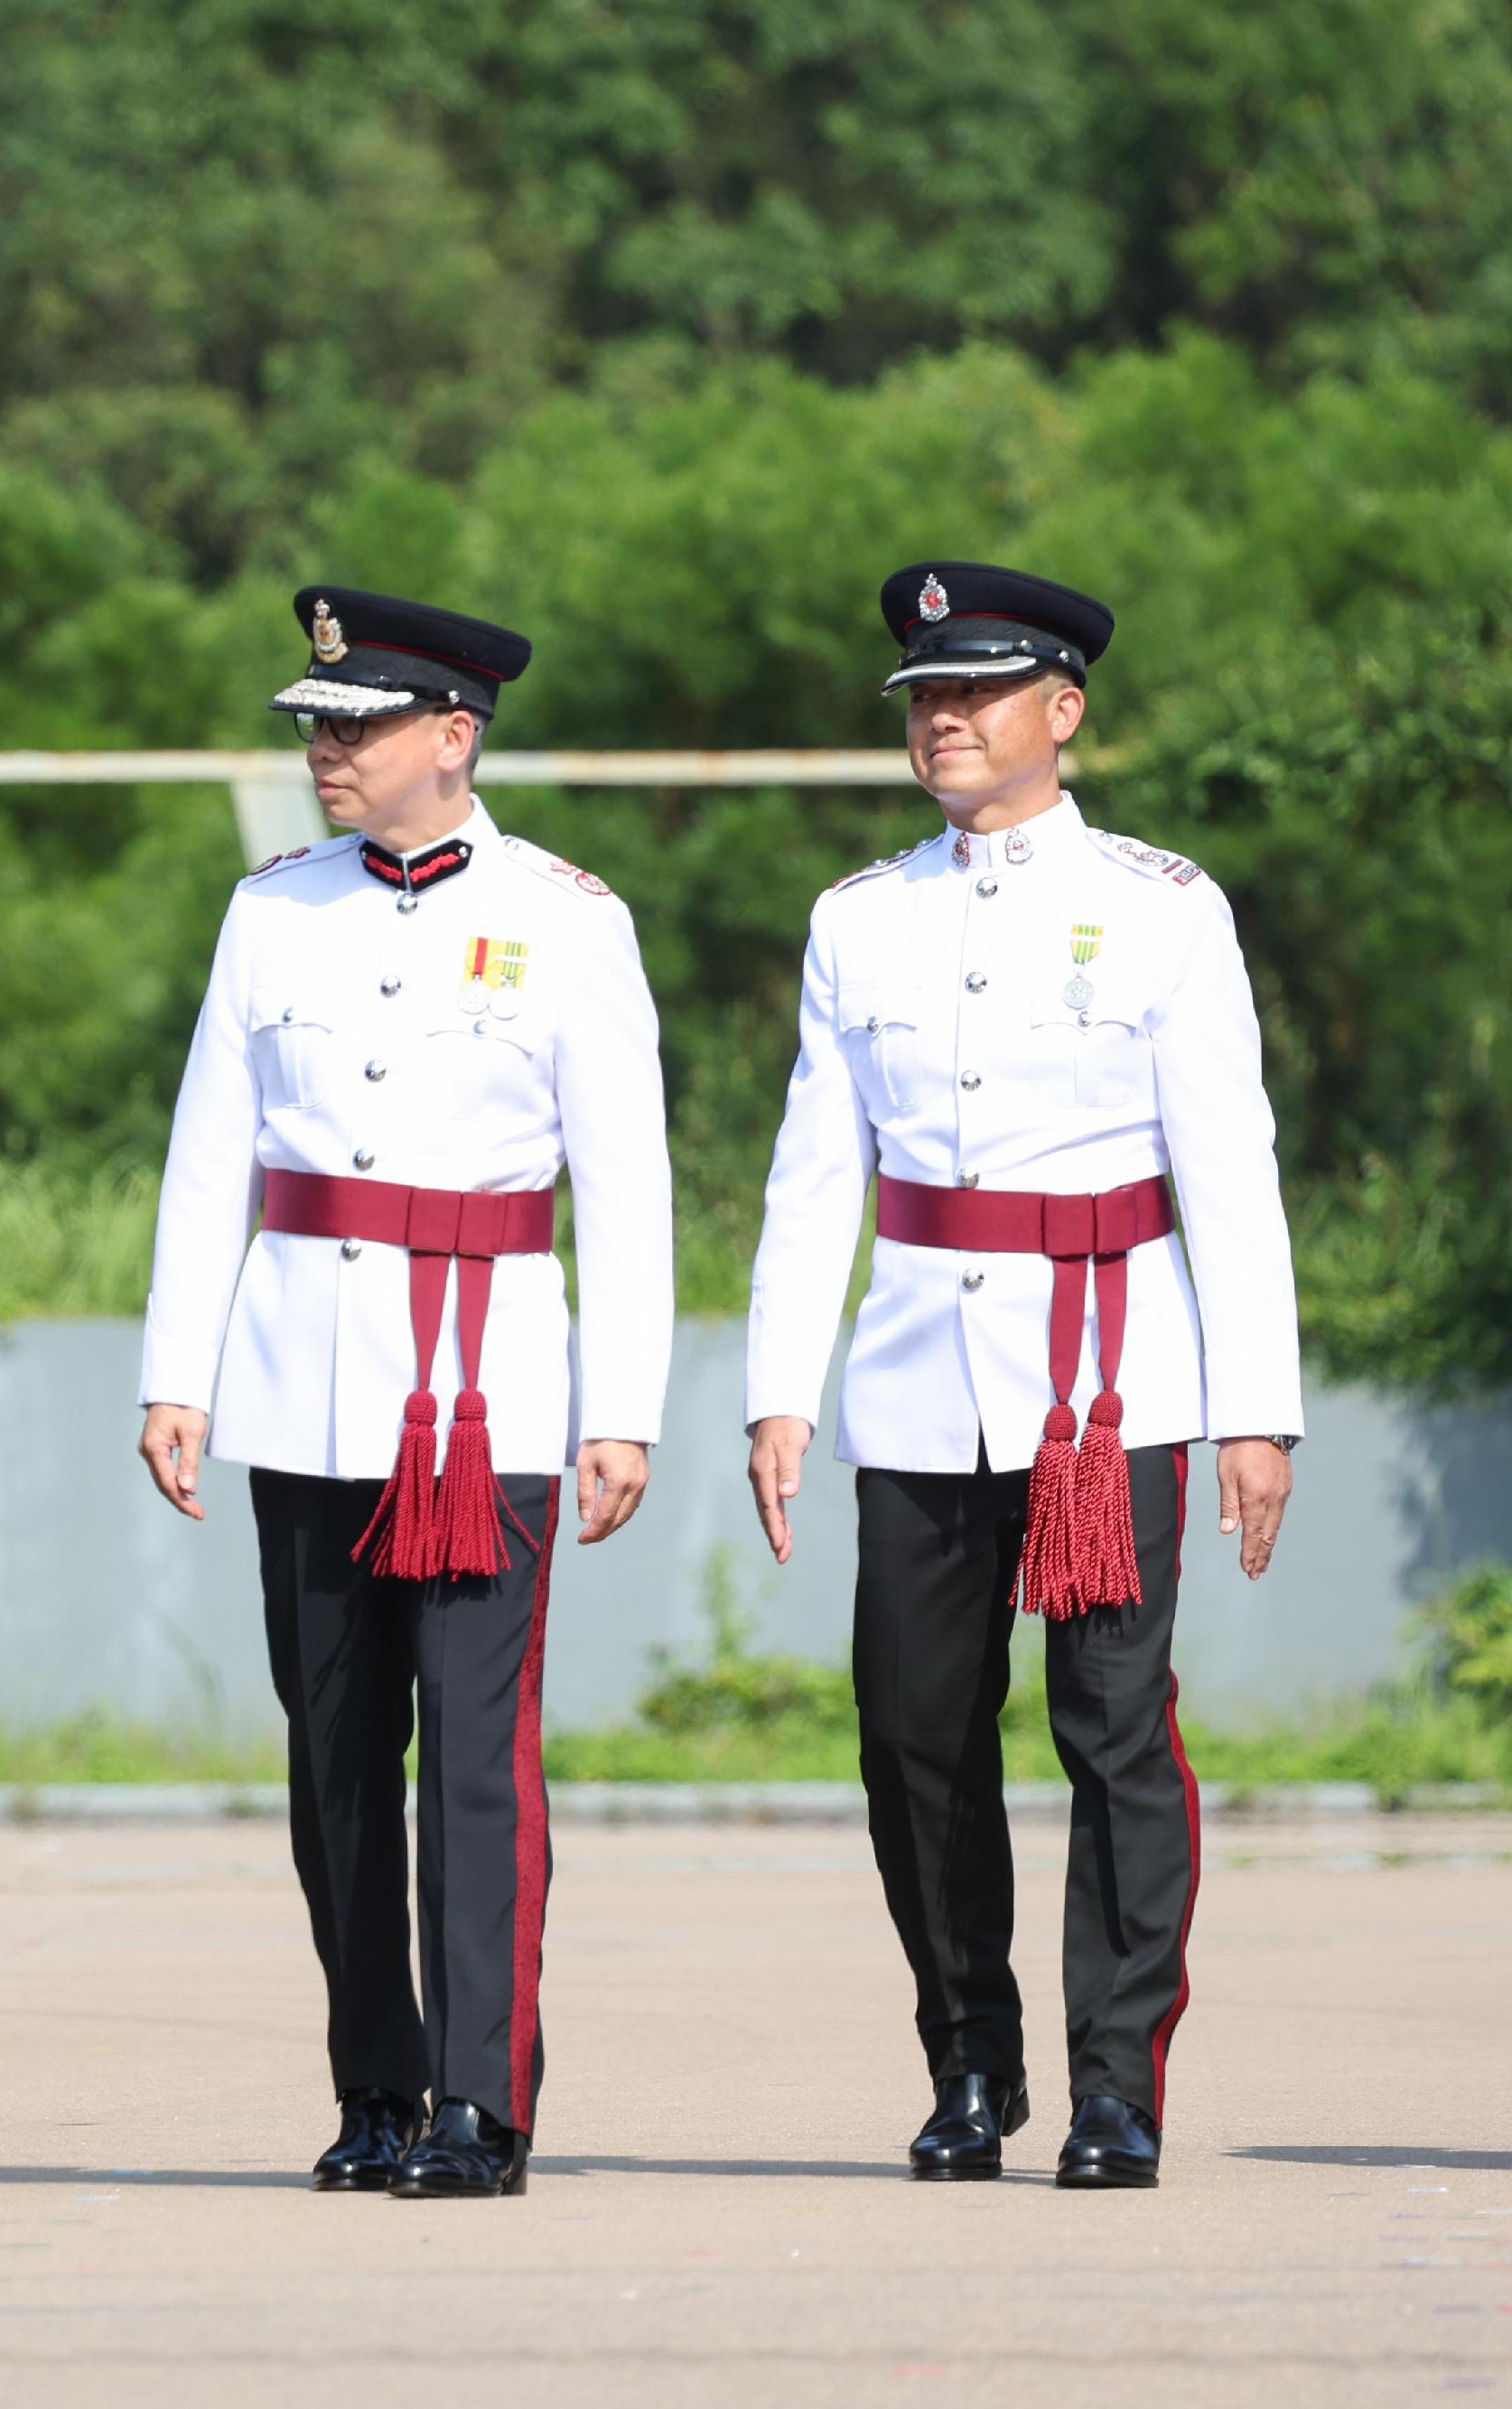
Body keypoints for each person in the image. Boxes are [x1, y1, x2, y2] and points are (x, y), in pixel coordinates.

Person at [742, 563, 1301, 2190]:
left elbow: (1233, 1168)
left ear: (1063, 708)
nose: (944, 720)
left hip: (1111, 1378)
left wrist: (1259, 1405)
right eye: (923, 695)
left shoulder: (1162, 904)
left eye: (976, 692)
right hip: (920, 1376)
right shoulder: (861, 914)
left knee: (1114, 1731)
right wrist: (785, 1384)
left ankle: (1115, 2081)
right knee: (914, 1737)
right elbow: (812, 1168)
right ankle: (971, 2059)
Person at [137, 586, 672, 2201]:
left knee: (478, 1759)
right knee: (337, 1757)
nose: (327, 751)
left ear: (455, 733)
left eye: (359, 725)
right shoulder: (269, 911)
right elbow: (208, 1151)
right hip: (303, 1389)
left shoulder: (571, 915)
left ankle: (479, 2101)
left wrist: (618, 1405)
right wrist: (181, 1369)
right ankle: (373, 2080)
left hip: (486, 1394)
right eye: (316, 724)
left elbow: (630, 1181)